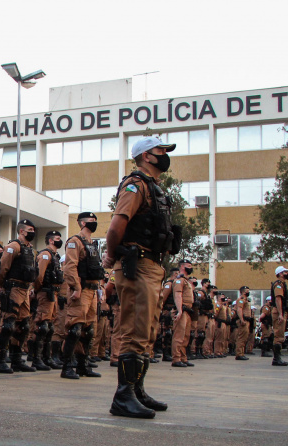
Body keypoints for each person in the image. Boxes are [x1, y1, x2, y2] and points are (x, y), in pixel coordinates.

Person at [103, 136, 179, 418]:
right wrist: (111, 257)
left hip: (152, 266)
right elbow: (115, 227)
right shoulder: (135, 185)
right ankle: (123, 397)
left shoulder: (153, 187)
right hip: (138, 266)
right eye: (161, 150)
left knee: (146, 333)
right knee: (135, 332)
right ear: (146, 156)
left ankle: (136, 390)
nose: (164, 155)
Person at [61, 212, 104, 379]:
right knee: (75, 329)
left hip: (92, 291)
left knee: (89, 330)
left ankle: (83, 365)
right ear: (81, 224)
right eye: (90, 221)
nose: (93, 223)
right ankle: (67, 367)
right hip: (81, 290)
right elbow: (70, 267)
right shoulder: (74, 242)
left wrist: (99, 290)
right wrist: (76, 288)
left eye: (95, 220)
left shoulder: (92, 244)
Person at [0, 219, 38, 374]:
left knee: (23, 326)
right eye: (30, 229)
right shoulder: (13, 246)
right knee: (8, 325)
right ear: (21, 231)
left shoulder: (29, 249)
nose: (32, 232)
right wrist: (2, 284)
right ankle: (0, 360)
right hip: (13, 289)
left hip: (25, 290)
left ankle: (16, 360)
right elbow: (2, 268)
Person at [30, 231, 63, 369]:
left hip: (53, 294)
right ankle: (37, 359)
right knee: (43, 326)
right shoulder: (45, 254)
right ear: (50, 240)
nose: (59, 241)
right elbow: (39, 276)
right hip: (45, 292)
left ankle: (46, 357)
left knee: (49, 327)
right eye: (57, 239)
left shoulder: (55, 256)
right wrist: (37, 290)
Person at [170, 262, 196, 368]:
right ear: (182, 267)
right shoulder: (179, 280)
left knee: (185, 337)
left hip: (188, 311)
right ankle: (176, 358)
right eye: (188, 266)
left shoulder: (186, 281)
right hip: (182, 310)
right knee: (179, 336)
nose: (190, 268)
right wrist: (179, 310)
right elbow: (177, 295)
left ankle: (183, 358)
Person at [270, 266, 288, 367]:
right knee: (278, 335)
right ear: (279, 274)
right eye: (285, 272)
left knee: (280, 335)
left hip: (282, 312)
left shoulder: (282, 284)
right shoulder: (278, 284)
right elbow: (278, 299)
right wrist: (280, 314)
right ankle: (276, 359)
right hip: (279, 311)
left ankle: (277, 358)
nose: (286, 274)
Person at [234, 286, 253, 361]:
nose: (248, 292)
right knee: (241, 338)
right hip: (243, 321)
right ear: (242, 292)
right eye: (246, 291)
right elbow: (239, 309)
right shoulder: (241, 300)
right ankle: (239, 354)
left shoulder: (246, 300)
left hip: (247, 321)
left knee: (244, 338)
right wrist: (242, 319)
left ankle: (241, 353)